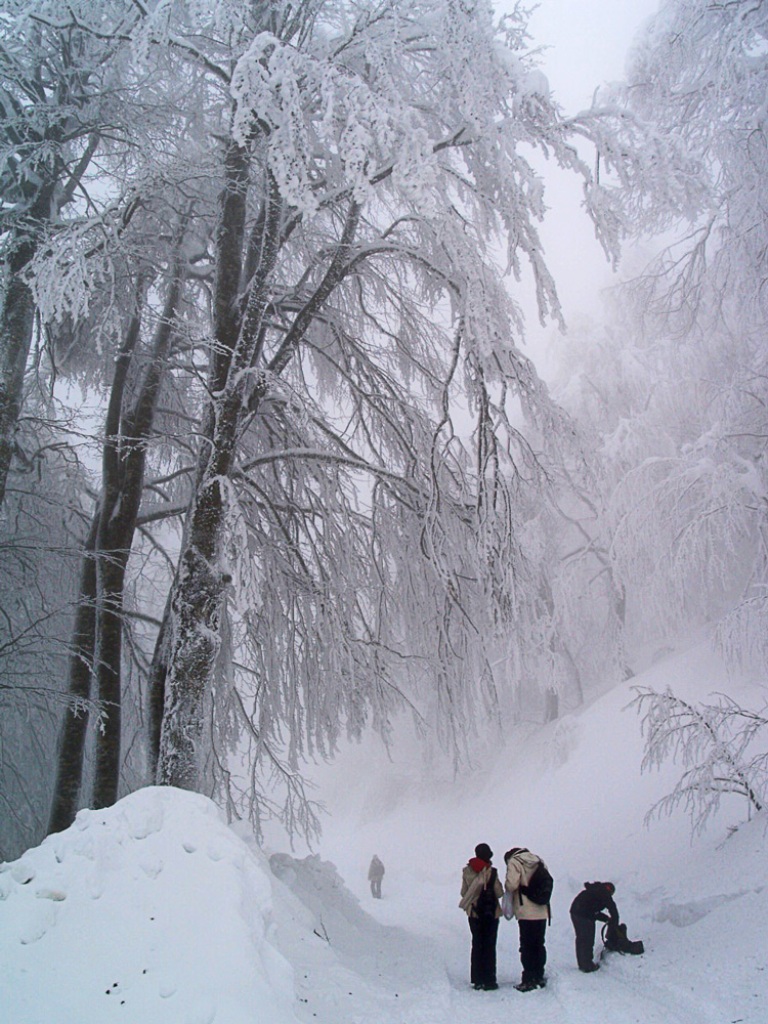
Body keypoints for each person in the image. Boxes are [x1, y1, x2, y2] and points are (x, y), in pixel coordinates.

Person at [504, 846, 550, 992]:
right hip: (542, 910)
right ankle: (539, 975)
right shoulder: (539, 860)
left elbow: (511, 885)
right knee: (539, 944)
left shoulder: (515, 862)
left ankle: (528, 979)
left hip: (526, 911)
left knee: (527, 946)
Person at [459, 842, 504, 991]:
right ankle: (490, 979)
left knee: (477, 944)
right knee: (490, 945)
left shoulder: (467, 871)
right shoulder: (492, 872)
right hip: (491, 913)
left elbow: (463, 892)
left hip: (474, 912)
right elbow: (499, 892)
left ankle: (477, 979)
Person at [569, 881, 619, 972]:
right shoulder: (605, 894)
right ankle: (587, 964)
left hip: (575, 911)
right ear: (610, 891)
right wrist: (614, 924)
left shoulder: (595, 891)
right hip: (584, 914)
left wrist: (606, 919)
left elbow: (593, 909)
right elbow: (613, 911)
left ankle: (583, 963)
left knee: (581, 938)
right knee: (587, 938)